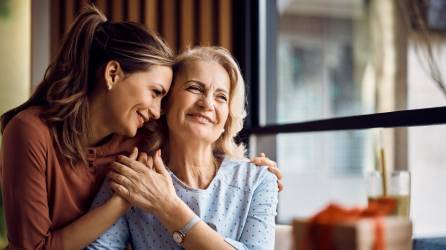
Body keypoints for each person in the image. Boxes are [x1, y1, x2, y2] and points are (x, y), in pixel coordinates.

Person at [0, 6, 282, 250]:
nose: (156, 111)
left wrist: (259, 172)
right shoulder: (34, 133)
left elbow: (200, 138)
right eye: (157, 93)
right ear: (112, 74)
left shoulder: (138, 138)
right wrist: (122, 203)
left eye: (222, 96)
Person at [88, 47, 279, 250]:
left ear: (228, 116)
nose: (207, 104)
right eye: (194, 88)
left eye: (221, 97)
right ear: (165, 103)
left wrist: (167, 206)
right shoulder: (133, 175)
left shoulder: (258, 180)